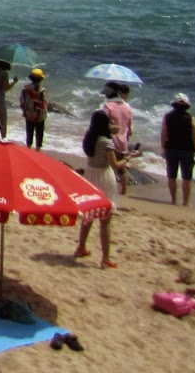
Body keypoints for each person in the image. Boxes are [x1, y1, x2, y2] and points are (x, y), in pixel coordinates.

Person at [75, 109, 124, 267]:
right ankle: (106, 258)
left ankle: (81, 247)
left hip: (90, 175)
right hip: (103, 177)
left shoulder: (90, 138)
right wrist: (129, 158)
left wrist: (112, 131)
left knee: (89, 216)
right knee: (105, 219)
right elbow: (115, 165)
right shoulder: (106, 142)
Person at [160, 93, 195, 207]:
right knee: (187, 177)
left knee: (171, 175)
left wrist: (163, 148)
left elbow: (164, 133)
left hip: (171, 148)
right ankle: (186, 202)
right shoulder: (191, 118)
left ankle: (173, 200)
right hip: (187, 150)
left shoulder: (167, 116)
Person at [102, 83, 135, 194]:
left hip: (110, 140)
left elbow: (104, 123)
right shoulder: (127, 107)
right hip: (123, 141)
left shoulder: (107, 106)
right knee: (121, 168)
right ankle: (124, 191)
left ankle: (108, 190)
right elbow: (130, 128)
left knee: (107, 167)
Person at [20, 69, 49, 150]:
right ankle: (37, 151)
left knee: (29, 132)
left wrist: (27, 111)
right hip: (39, 115)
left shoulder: (25, 88)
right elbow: (43, 103)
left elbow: (22, 101)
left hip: (28, 114)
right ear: (41, 79)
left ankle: (28, 148)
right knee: (39, 134)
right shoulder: (42, 90)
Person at [0, 58, 17, 142]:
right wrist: (14, 82)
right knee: (3, 120)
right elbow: (5, 87)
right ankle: (3, 138)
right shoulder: (4, 74)